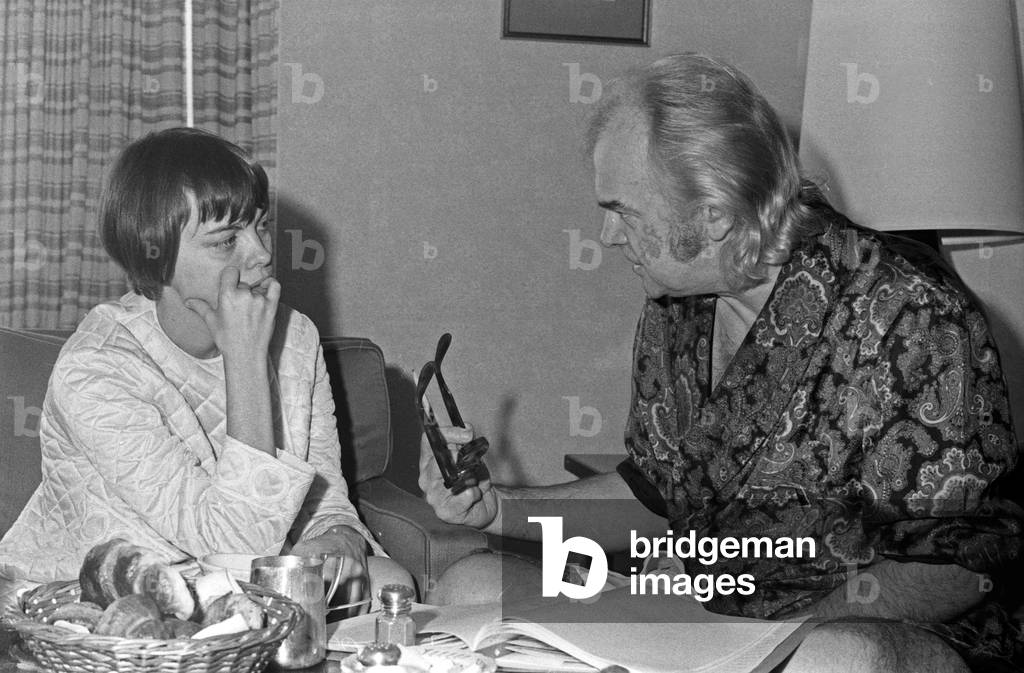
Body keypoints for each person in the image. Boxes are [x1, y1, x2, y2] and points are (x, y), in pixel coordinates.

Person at [420, 54, 1023, 672]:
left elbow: (957, 570)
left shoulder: (913, 314)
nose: (606, 236)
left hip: (858, 632)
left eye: (622, 209)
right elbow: (657, 497)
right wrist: (501, 510)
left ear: (711, 215)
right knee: (470, 585)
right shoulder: (678, 304)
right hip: (706, 618)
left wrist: (771, 639)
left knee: (832, 662)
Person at [0, 127, 410, 610]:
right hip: (101, 603)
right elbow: (235, 547)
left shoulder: (296, 338)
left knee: (390, 582)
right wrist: (245, 361)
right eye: (225, 240)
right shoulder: (94, 370)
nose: (260, 252)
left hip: (235, 580)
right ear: (156, 256)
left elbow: (324, 495)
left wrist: (340, 540)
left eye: (259, 225)